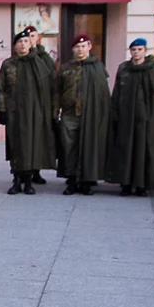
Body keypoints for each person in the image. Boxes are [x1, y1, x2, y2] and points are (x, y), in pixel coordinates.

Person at [106, 38, 154, 196]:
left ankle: (142, 184)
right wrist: (115, 112)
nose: (136, 52)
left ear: (145, 50)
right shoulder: (124, 69)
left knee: (144, 151)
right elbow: (117, 92)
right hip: (126, 118)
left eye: (139, 49)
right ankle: (126, 184)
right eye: (134, 49)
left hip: (146, 119)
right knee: (125, 150)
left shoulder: (153, 69)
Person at [0, 31, 55, 195]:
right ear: (15, 46)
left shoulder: (38, 63)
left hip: (34, 112)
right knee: (16, 146)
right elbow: (0, 88)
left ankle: (29, 180)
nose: (23, 44)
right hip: (14, 112)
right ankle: (16, 180)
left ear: (30, 44)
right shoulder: (8, 64)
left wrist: (48, 111)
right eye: (19, 42)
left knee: (32, 145)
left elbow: (48, 88)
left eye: (25, 41)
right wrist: (2, 110)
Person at [53, 34, 110, 195]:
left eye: (83, 46)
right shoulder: (65, 68)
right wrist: (54, 113)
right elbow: (57, 92)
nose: (80, 49)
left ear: (89, 47)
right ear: (73, 49)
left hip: (90, 115)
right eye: (77, 47)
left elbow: (103, 92)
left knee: (88, 147)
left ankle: (87, 180)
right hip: (70, 114)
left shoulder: (98, 67)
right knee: (69, 147)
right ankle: (71, 180)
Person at [24, 25, 56, 185]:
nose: (30, 38)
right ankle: (24, 172)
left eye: (33, 35)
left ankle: (36, 171)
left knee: (39, 140)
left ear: (37, 38)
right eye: (28, 36)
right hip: (26, 106)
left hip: (42, 104)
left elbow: (51, 78)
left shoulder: (44, 57)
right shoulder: (21, 57)